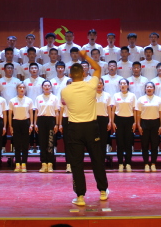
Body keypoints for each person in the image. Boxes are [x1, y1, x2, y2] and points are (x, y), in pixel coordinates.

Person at [60, 50, 109, 206]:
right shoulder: (91, 86)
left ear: (70, 75)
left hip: (74, 128)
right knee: (97, 160)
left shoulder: (65, 90)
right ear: (83, 73)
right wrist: (85, 56)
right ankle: (103, 191)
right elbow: (98, 68)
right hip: (90, 127)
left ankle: (80, 196)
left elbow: (64, 103)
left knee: (76, 163)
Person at [135, 82, 161, 172]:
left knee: (155, 145)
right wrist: (138, 125)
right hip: (144, 123)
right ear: (145, 89)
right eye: (147, 87)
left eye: (151, 87)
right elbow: (138, 113)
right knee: (145, 145)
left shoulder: (158, 99)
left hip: (155, 123)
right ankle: (146, 164)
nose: (149, 88)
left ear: (154, 89)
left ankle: (153, 164)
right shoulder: (141, 99)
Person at [34, 80, 61, 172]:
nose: (47, 87)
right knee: (42, 142)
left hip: (51, 120)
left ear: (51, 87)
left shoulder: (54, 98)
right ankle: (43, 163)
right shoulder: (38, 98)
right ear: (42, 87)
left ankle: (50, 163)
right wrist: (35, 123)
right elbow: (36, 112)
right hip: (41, 120)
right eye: (45, 86)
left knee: (50, 142)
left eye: (48, 86)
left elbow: (57, 112)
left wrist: (56, 124)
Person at [8, 82, 35, 172]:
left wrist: (31, 124)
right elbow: (10, 114)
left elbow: (31, 113)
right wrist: (10, 125)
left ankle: (24, 164)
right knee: (17, 144)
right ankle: (17, 164)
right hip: (16, 122)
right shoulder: (12, 100)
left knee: (25, 144)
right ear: (17, 89)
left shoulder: (29, 100)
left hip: (25, 122)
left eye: (23, 87)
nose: (22, 89)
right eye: (20, 87)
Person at [113, 78, 136, 172]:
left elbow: (134, 110)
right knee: (120, 143)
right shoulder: (115, 95)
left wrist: (134, 122)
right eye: (121, 83)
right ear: (119, 86)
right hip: (119, 119)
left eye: (124, 83)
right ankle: (120, 164)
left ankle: (128, 163)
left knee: (128, 143)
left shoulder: (132, 95)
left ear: (128, 85)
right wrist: (113, 122)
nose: (123, 85)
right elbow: (113, 109)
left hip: (129, 119)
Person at [95, 79, 114, 161]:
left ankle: (102, 160)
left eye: (100, 83)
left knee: (103, 141)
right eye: (97, 83)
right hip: (94, 120)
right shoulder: (91, 95)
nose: (99, 85)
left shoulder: (107, 95)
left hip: (104, 119)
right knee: (95, 141)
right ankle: (95, 160)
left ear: (103, 85)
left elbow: (109, 109)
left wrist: (110, 121)